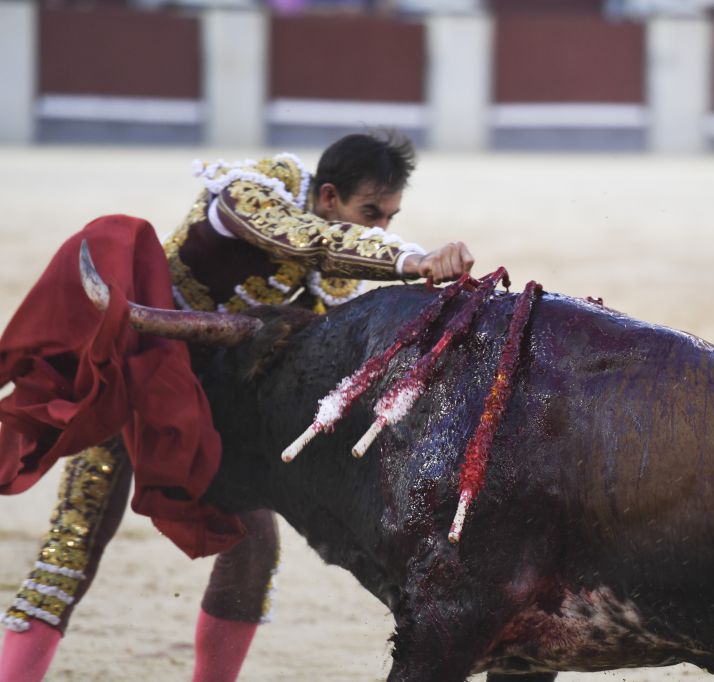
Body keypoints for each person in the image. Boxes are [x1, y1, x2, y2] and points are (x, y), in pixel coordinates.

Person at [0, 130, 474, 682]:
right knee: (74, 544)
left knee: (253, 548)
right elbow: (306, 241)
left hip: (201, 403)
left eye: (390, 217)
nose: (379, 228)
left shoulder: (343, 261)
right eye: (371, 211)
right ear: (327, 197)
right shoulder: (251, 194)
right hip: (128, 371)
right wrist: (411, 257)